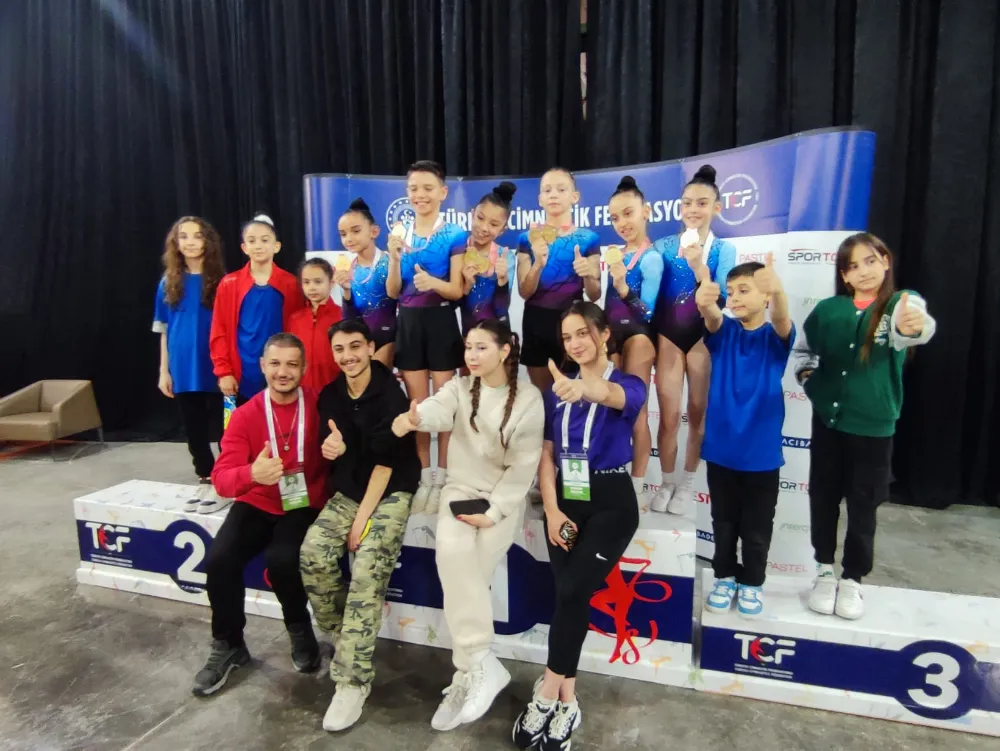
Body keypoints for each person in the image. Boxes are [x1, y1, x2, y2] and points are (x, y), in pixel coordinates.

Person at [391, 319, 544, 732]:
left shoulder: (529, 399)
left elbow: (523, 466)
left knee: (470, 571)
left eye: (481, 348)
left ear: (505, 350)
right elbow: (438, 410)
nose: (471, 356)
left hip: (502, 498)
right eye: (468, 348)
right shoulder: (460, 388)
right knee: (453, 553)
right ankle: (479, 662)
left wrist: (493, 513)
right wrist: (415, 418)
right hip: (459, 491)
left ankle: (467, 671)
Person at [512, 302, 647, 751]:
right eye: (567, 337)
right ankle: (568, 700)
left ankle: (546, 692)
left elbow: (614, 397)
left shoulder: (628, 383)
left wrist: (585, 389)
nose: (574, 343)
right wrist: (551, 510)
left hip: (612, 505)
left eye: (582, 333)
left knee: (572, 590)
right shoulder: (556, 392)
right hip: (566, 505)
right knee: (570, 594)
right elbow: (547, 454)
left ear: (604, 334)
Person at [796, 233, 935, 620]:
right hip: (829, 421)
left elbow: (915, 327)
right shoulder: (828, 310)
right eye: (853, 266)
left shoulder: (899, 303)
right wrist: (809, 379)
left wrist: (916, 324)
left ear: (886, 261)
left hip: (874, 426)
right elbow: (805, 351)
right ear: (844, 275)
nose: (864, 271)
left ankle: (853, 578)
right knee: (823, 497)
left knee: (863, 505)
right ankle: (824, 570)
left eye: (871, 261)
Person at [300, 318, 421, 731]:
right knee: (313, 553)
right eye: (340, 349)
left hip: (389, 490)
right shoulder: (331, 395)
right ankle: (345, 637)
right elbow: (333, 444)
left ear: (370, 348)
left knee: (368, 567)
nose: (348, 356)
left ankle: (352, 681)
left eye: (355, 346)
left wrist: (362, 520)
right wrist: (331, 448)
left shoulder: (391, 394)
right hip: (350, 489)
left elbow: (386, 465)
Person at [195, 333, 325, 697]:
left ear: (304, 368)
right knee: (219, 560)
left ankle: (300, 630)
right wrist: (252, 473)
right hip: (257, 501)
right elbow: (221, 479)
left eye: (292, 364)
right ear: (263, 366)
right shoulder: (245, 415)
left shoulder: (320, 404)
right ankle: (229, 644)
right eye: (276, 364)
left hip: (302, 503)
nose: (283, 372)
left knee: (282, 560)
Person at [696, 256, 794, 618]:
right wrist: (705, 300)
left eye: (744, 290)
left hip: (761, 455)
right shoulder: (724, 332)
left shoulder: (775, 337)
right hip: (722, 451)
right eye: (731, 291)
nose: (734, 297)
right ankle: (724, 577)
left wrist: (778, 291)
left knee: (756, 527)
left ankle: (752, 582)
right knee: (723, 522)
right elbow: (711, 316)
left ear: (764, 295)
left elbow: (782, 319)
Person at [649, 166, 736, 517]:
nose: (693, 209)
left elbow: (721, 298)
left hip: (703, 336)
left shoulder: (724, 250)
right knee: (669, 417)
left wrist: (700, 265)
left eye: (701, 203)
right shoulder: (664, 246)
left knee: (697, 413)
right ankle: (667, 481)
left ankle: (687, 483)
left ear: (717, 207)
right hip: (669, 336)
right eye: (687, 203)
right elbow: (653, 297)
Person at [385, 161, 468, 513]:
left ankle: (443, 477)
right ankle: (424, 477)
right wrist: (392, 258)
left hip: (441, 322)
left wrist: (433, 283)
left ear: (442, 193)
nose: (420, 195)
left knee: (445, 405)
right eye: (414, 188)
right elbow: (392, 292)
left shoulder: (454, 234)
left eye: (428, 188)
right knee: (417, 406)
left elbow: (458, 290)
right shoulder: (399, 234)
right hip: (408, 324)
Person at [153, 216, 229, 514]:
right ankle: (205, 477)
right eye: (183, 236)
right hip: (183, 368)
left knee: (225, 430)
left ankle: (227, 479)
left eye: (197, 236)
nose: (190, 242)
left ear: (208, 241)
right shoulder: (168, 282)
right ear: (175, 243)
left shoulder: (223, 282)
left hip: (217, 367)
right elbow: (164, 330)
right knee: (194, 429)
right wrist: (164, 371)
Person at [603, 176, 664, 505]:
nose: (622, 223)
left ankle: (638, 488)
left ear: (646, 212)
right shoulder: (617, 255)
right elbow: (607, 305)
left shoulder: (651, 258)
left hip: (639, 336)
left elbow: (649, 312)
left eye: (628, 214)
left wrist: (624, 288)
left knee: (636, 411)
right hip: (612, 338)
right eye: (615, 218)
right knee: (611, 410)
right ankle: (614, 478)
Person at [516, 167, 602, 392]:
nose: (553, 195)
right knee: (543, 397)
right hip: (536, 322)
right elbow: (524, 292)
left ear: (575, 196)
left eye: (561, 189)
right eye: (547, 190)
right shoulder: (527, 238)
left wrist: (588, 274)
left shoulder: (588, 238)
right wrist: (537, 264)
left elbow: (595, 294)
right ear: (540, 199)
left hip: (573, 322)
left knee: (574, 395)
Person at [210, 213, 303, 404]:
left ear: (277, 246)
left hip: (281, 375)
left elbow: (297, 331)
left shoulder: (291, 284)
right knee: (242, 422)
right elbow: (219, 331)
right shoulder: (229, 284)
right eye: (252, 241)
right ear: (244, 247)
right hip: (240, 376)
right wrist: (224, 372)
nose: (258, 245)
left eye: (265, 240)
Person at [336, 198, 397, 367]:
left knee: (377, 377)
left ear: (374, 231)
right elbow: (349, 319)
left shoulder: (390, 262)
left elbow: (401, 300)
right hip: (362, 343)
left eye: (355, 231)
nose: (349, 238)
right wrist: (346, 291)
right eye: (343, 234)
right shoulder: (349, 269)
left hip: (391, 338)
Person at [460, 182, 518, 335]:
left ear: (502, 230)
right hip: (469, 338)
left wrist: (503, 282)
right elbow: (453, 304)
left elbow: (502, 307)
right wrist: (467, 285)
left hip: (497, 337)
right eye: (480, 218)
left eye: (494, 224)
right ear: (472, 214)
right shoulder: (458, 251)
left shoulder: (506, 257)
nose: (484, 228)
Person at [288, 258, 342, 390]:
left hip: (335, 390)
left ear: (331, 283)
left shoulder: (342, 317)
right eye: (306, 282)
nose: (312, 287)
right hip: (302, 391)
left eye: (318, 282)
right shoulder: (295, 319)